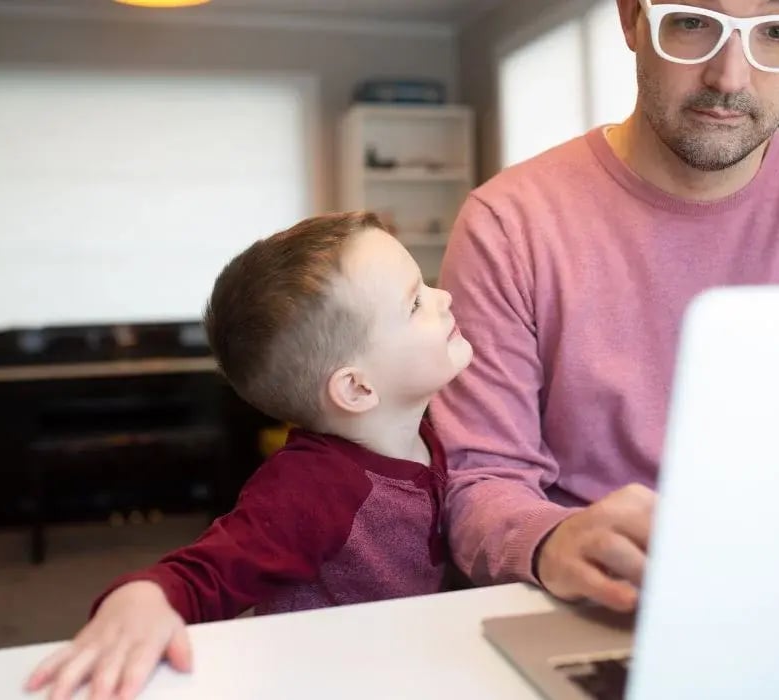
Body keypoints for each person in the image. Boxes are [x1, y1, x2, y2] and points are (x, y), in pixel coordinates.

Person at [432, 0, 779, 614]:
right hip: (595, 605)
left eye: (776, 33)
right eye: (693, 23)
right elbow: (479, 479)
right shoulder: (510, 222)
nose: (730, 78)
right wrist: (552, 541)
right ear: (631, 19)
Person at [25, 211, 473, 700]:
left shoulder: (437, 431)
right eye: (414, 303)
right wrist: (148, 596)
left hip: (410, 665)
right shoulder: (311, 486)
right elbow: (213, 568)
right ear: (357, 386)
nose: (443, 296)